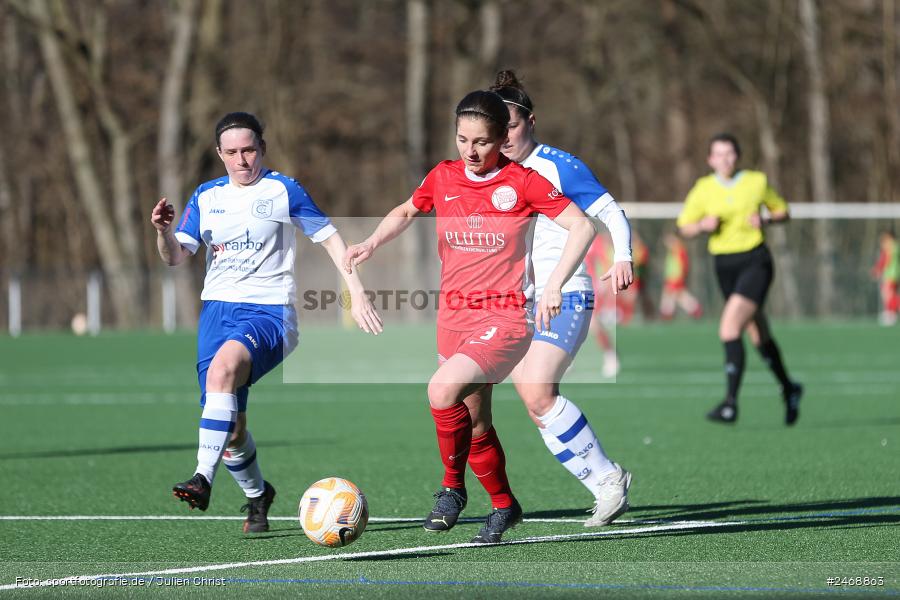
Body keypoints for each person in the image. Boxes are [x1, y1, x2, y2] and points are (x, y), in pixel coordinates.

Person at [343, 90, 596, 543]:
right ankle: (504, 506)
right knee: (475, 422)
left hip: (507, 318)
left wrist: (555, 283)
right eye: (463, 140)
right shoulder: (443, 176)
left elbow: (582, 225)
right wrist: (371, 243)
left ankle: (451, 490)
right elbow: (408, 209)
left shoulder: (523, 182)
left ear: (501, 139)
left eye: (481, 141)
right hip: (453, 318)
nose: (471, 151)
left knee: (441, 390)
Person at [150, 112, 382, 533]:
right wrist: (163, 233)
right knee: (231, 430)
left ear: (262, 149)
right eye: (232, 152)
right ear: (219, 154)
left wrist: (356, 292)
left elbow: (331, 239)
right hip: (216, 314)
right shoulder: (206, 195)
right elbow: (175, 257)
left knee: (222, 371)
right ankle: (258, 496)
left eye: (249, 150)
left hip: (270, 313)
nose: (242, 160)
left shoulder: (282, 190)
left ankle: (201, 477)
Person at [490, 70, 634, 527]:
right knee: (536, 406)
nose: (504, 138)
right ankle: (602, 486)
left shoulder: (558, 165)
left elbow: (609, 211)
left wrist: (623, 255)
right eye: (497, 129)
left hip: (566, 294)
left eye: (511, 127)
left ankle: (610, 478)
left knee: (538, 391)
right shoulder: (491, 171)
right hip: (519, 304)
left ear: (531, 122)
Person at [677, 132, 802, 425]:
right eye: (719, 154)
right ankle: (789, 388)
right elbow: (684, 226)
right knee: (758, 334)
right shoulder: (703, 188)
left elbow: (783, 211)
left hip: (755, 261)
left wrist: (766, 219)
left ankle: (730, 404)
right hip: (724, 265)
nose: (725, 159)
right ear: (710, 159)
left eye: (729, 153)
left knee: (729, 328)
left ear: (738, 156)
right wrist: (702, 225)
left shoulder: (756, 181)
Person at [584, 234, 622, 378]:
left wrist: (605, 282)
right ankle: (565, 362)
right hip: (566, 288)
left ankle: (610, 355)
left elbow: (605, 261)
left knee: (593, 324)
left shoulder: (593, 238)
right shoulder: (560, 234)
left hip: (588, 288)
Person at [659, 231, 703, 320]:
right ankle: (668, 313)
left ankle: (694, 308)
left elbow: (684, 265)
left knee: (675, 295)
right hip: (671, 278)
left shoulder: (680, 251)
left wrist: (682, 277)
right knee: (676, 296)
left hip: (676, 278)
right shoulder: (673, 251)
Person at [871, 230, 899, 326]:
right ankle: (891, 314)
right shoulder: (896, 247)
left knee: (887, 294)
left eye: (885, 239)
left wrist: (878, 270)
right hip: (894, 274)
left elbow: (886, 260)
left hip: (891, 274)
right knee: (889, 294)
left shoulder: (891, 247)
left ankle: (890, 314)